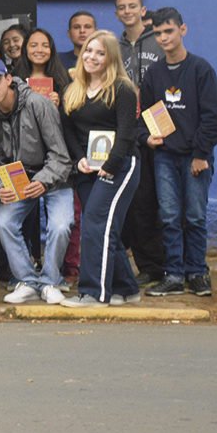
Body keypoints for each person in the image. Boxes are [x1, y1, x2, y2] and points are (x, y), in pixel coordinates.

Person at [0, 58, 74, 305]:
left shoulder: (37, 104)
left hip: (54, 176)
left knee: (61, 226)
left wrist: (43, 180)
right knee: (4, 222)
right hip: (19, 180)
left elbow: (60, 155)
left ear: (8, 79)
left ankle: (50, 281)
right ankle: (27, 281)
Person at [142, 8, 217, 298]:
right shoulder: (154, 73)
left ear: (182, 30)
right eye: (158, 33)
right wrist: (148, 138)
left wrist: (201, 154)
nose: (164, 38)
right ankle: (174, 275)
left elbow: (212, 116)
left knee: (195, 216)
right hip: (164, 156)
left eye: (169, 31)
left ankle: (197, 273)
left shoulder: (201, 69)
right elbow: (146, 114)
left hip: (195, 157)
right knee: (169, 216)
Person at [59, 31, 141, 308]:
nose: (92, 57)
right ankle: (127, 289)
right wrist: (79, 159)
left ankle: (93, 293)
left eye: (100, 53)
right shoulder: (72, 89)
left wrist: (111, 164)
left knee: (95, 223)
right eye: (89, 50)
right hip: (86, 169)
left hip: (119, 166)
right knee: (105, 228)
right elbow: (68, 130)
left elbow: (127, 133)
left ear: (111, 58)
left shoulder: (122, 89)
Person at [115, 0, 166, 286]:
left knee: (161, 200)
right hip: (128, 127)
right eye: (122, 7)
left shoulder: (157, 41)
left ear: (142, 10)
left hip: (160, 125)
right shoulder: (115, 46)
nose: (127, 11)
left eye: (132, 6)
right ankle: (147, 265)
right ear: (116, 12)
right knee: (138, 199)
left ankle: (168, 264)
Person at [11, 28, 72, 109]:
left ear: (51, 50)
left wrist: (59, 106)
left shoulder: (63, 77)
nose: (39, 50)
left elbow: (73, 110)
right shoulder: (14, 78)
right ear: (25, 49)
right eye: (33, 45)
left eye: (45, 46)